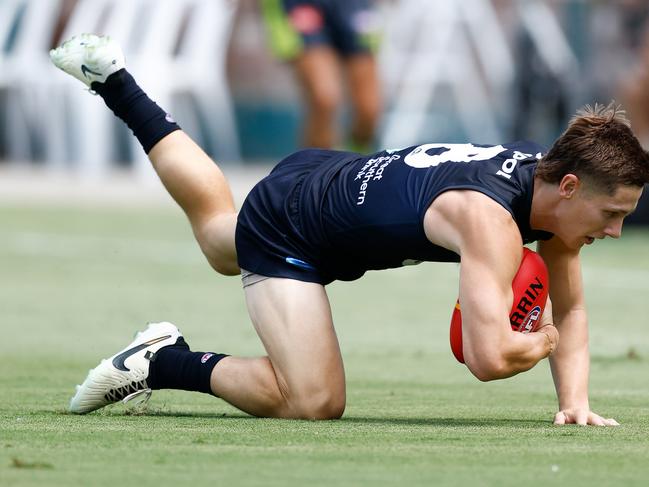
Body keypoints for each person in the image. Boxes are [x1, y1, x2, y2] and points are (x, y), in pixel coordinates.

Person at [51, 34, 649, 425]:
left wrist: (574, 404)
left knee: (216, 237)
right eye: (611, 214)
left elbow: (569, 306)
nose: (617, 231)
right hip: (293, 226)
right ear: (569, 187)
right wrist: (543, 339)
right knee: (313, 401)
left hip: (328, 173)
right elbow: (486, 357)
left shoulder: (544, 174)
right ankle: (161, 362)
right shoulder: (488, 219)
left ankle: (114, 81)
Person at [260, 0, 381, 151]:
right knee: (324, 98)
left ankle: (356, 167)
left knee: (368, 110)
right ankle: (315, 170)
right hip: (300, 4)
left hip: (354, 5)